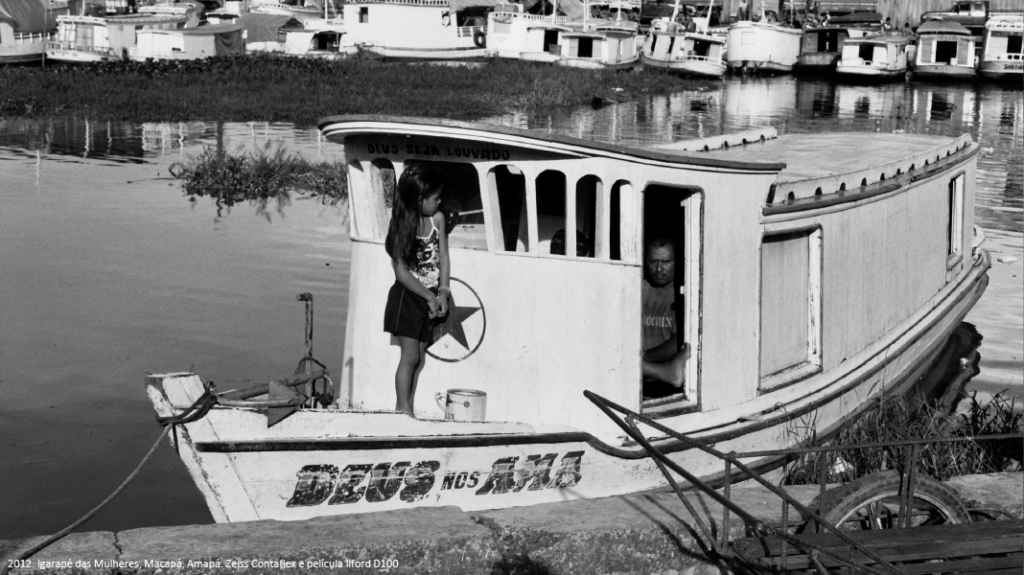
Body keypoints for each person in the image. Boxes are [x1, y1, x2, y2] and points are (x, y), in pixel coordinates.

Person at [383, 163, 450, 416]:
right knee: (409, 357)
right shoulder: (401, 225)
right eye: (435, 197)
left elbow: (443, 255)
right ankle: (403, 411)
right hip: (407, 297)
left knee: (419, 359)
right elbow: (401, 273)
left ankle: (407, 408)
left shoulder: (438, 219)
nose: (439, 201)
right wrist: (429, 297)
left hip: (429, 295)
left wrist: (442, 291)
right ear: (419, 199)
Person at [641, 237, 688, 388]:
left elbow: (677, 344)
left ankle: (667, 372)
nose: (659, 269)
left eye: (666, 262)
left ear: (676, 262)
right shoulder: (639, 287)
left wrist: (641, 357)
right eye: (653, 262)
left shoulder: (681, 294)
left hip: (664, 385)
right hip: (638, 379)